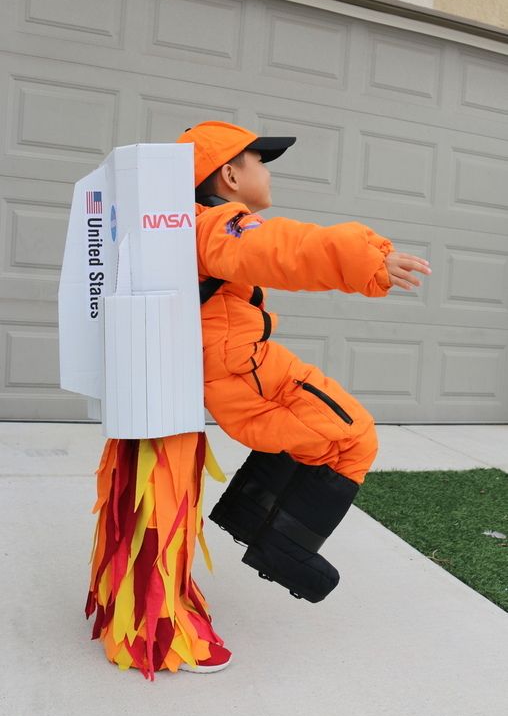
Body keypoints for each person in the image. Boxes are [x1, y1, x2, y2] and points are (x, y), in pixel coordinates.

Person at [177, 121, 432, 607]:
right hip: (242, 370)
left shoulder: (193, 222)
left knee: (325, 437)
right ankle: (285, 550)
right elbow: (278, 248)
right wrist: (369, 258)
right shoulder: (216, 223)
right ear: (230, 175)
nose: (268, 174)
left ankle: (251, 519)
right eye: (260, 162)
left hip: (241, 364)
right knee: (354, 435)